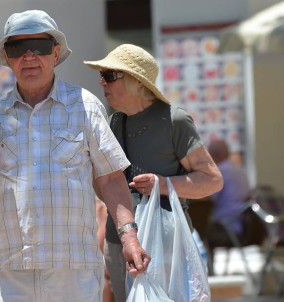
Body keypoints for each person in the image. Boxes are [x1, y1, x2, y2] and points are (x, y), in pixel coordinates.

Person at [0, 10, 149, 302]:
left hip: (73, 267)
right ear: (7, 58)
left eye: (40, 46)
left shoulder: (85, 106)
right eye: (17, 49)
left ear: (56, 53)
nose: (29, 56)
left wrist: (129, 237)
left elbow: (111, 180)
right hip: (14, 270)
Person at [84, 44, 223, 301]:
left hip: (166, 243)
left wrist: (162, 184)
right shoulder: (114, 122)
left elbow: (212, 180)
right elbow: (102, 186)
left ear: (137, 81)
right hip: (120, 242)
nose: (102, 82)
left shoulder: (174, 120)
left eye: (110, 75)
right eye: (101, 75)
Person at [206, 139, 250, 261]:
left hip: (226, 227)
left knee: (196, 231)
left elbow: (209, 200)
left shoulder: (219, 173)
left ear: (212, 155)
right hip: (245, 226)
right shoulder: (240, 171)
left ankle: (207, 272)